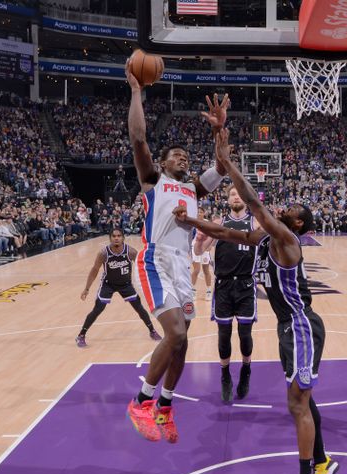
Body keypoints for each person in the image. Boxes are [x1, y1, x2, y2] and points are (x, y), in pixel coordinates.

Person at [174, 129, 337, 474]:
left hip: (300, 325)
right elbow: (229, 232)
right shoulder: (265, 238)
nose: (286, 209)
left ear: (297, 224)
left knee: (296, 404)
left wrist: (227, 163)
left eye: (292, 210)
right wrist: (191, 221)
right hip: (288, 328)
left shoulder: (285, 239)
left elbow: (253, 204)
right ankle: (322, 462)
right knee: (304, 399)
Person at [125, 62, 230, 444]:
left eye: (187, 155)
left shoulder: (195, 190)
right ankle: (140, 402)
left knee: (183, 341)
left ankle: (165, 407)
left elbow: (222, 164)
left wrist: (219, 129)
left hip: (181, 267)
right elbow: (138, 139)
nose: (183, 158)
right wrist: (137, 91)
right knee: (172, 333)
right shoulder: (154, 181)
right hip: (154, 261)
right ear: (165, 163)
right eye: (177, 155)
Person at [194, 186, 257, 402]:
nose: (236, 196)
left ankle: (246, 371)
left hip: (246, 287)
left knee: (245, 334)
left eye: (239, 193)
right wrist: (200, 240)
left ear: (246, 199)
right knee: (224, 334)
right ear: (227, 199)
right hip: (223, 286)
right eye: (232, 194)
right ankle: (225, 376)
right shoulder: (218, 224)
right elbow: (199, 252)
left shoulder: (256, 223)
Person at [76, 228, 162, 347]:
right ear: (110, 238)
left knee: (139, 308)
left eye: (119, 236)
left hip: (125, 284)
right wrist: (86, 289)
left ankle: (152, 331)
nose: (116, 238)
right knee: (98, 309)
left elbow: (141, 267)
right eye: (114, 236)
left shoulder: (130, 252)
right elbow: (94, 270)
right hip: (108, 284)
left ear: (123, 238)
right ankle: (81, 335)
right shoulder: (103, 253)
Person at [191, 229, 214, 301]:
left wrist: (210, 245)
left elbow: (213, 235)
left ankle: (209, 291)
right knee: (196, 270)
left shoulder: (206, 223)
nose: (200, 216)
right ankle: (193, 290)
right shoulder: (194, 223)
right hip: (195, 247)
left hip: (205, 247)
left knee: (206, 271)